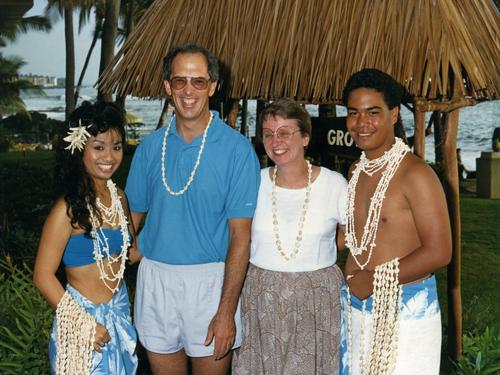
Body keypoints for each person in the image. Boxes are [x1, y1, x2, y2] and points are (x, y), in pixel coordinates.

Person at [125, 43, 260, 374]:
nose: (188, 90)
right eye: (180, 81)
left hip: (211, 284)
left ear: (212, 86)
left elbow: (241, 238)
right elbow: (127, 224)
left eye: (198, 81)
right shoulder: (148, 148)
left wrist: (226, 310)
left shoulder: (238, 151)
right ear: (168, 87)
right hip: (155, 280)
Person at [339, 69, 452, 375]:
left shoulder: (416, 175)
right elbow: (358, 236)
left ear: (393, 114)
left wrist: (374, 280)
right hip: (354, 307)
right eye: (353, 113)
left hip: (406, 311)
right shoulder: (356, 171)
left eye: (372, 112)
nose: (361, 123)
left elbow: (440, 251)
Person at [232, 98, 348, 375]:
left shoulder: (334, 184)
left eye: (285, 132)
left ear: (305, 138)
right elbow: (236, 236)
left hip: (317, 297)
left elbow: (350, 236)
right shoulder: (253, 181)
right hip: (261, 294)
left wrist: (316, 251)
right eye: (269, 134)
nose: (276, 141)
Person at [33, 101, 138, 374]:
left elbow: (126, 256)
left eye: (116, 147)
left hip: (119, 316)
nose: (109, 156)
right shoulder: (66, 210)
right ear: (80, 148)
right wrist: (84, 324)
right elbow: (42, 276)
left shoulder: (119, 198)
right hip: (81, 323)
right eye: (99, 147)